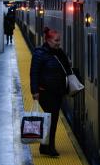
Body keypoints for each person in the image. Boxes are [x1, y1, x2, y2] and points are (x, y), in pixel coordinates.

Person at [29, 27, 71, 157]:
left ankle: (44, 146)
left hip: (57, 92)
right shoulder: (39, 53)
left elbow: (66, 66)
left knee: (51, 119)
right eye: (56, 40)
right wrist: (34, 91)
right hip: (45, 92)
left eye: (59, 40)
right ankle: (50, 147)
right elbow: (34, 73)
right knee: (51, 120)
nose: (58, 43)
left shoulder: (58, 52)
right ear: (48, 40)